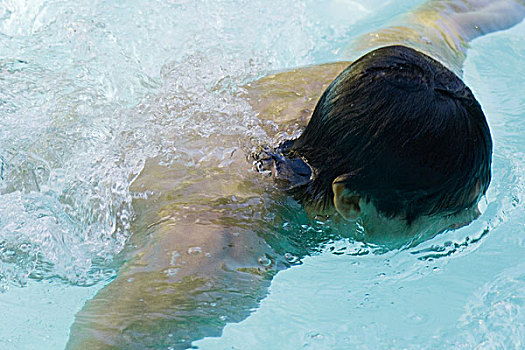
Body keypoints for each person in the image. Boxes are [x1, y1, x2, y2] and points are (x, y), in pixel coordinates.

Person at [66, 1, 525, 349]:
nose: (471, 220)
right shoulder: (217, 261)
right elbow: (101, 340)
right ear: (349, 200)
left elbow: (455, 11)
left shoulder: (387, 88)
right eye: (446, 211)